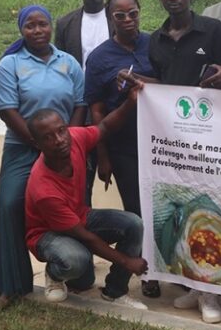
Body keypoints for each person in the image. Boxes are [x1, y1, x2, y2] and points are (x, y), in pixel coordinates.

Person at [147, 0, 221, 323]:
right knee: (183, 212)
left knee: (212, 210)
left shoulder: (213, 31)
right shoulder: (155, 39)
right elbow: (158, 86)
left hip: (209, 140)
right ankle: (195, 286)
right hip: (171, 142)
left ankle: (213, 294)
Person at [0, 5, 87, 307]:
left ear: (51, 27)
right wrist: (40, 143)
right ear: (22, 30)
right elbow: (7, 110)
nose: (37, 31)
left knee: (72, 207)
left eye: (42, 24)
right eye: (30, 26)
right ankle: (12, 285)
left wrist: (66, 142)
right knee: (10, 204)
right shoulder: (10, 64)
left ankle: (75, 275)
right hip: (22, 148)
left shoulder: (68, 62)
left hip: (61, 149)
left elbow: (80, 103)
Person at [24, 100, 148, 309]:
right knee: (76, 260)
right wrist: (128, 262)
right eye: (48, 137)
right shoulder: (43, 189)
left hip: (78, 216)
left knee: (133, 223)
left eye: (61, 130)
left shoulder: (75, 138)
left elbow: (105, 127)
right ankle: (54, 273)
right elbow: (87, 238)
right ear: (37, 145)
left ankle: (115, 291)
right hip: (46, 234)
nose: (60, 140)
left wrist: (130, 102)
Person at [84, 0, 161, 299]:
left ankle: (168, 265)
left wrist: (139, 80)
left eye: (133, 13)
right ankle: (147, 273)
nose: (128, 20)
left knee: (162, 206)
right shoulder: (99, 58)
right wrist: (103, 156)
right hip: (124, 146)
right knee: (137, 209)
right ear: (109, 18)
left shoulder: (154, 45)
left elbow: (171, 85)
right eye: (120, 16)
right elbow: (96, 109)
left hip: (161, 142)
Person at [55, 0, 113, 206]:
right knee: (81, 174)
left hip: (114, 102)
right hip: (79, 104)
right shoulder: (66, 23)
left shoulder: (117, 16)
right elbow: (59, 63)